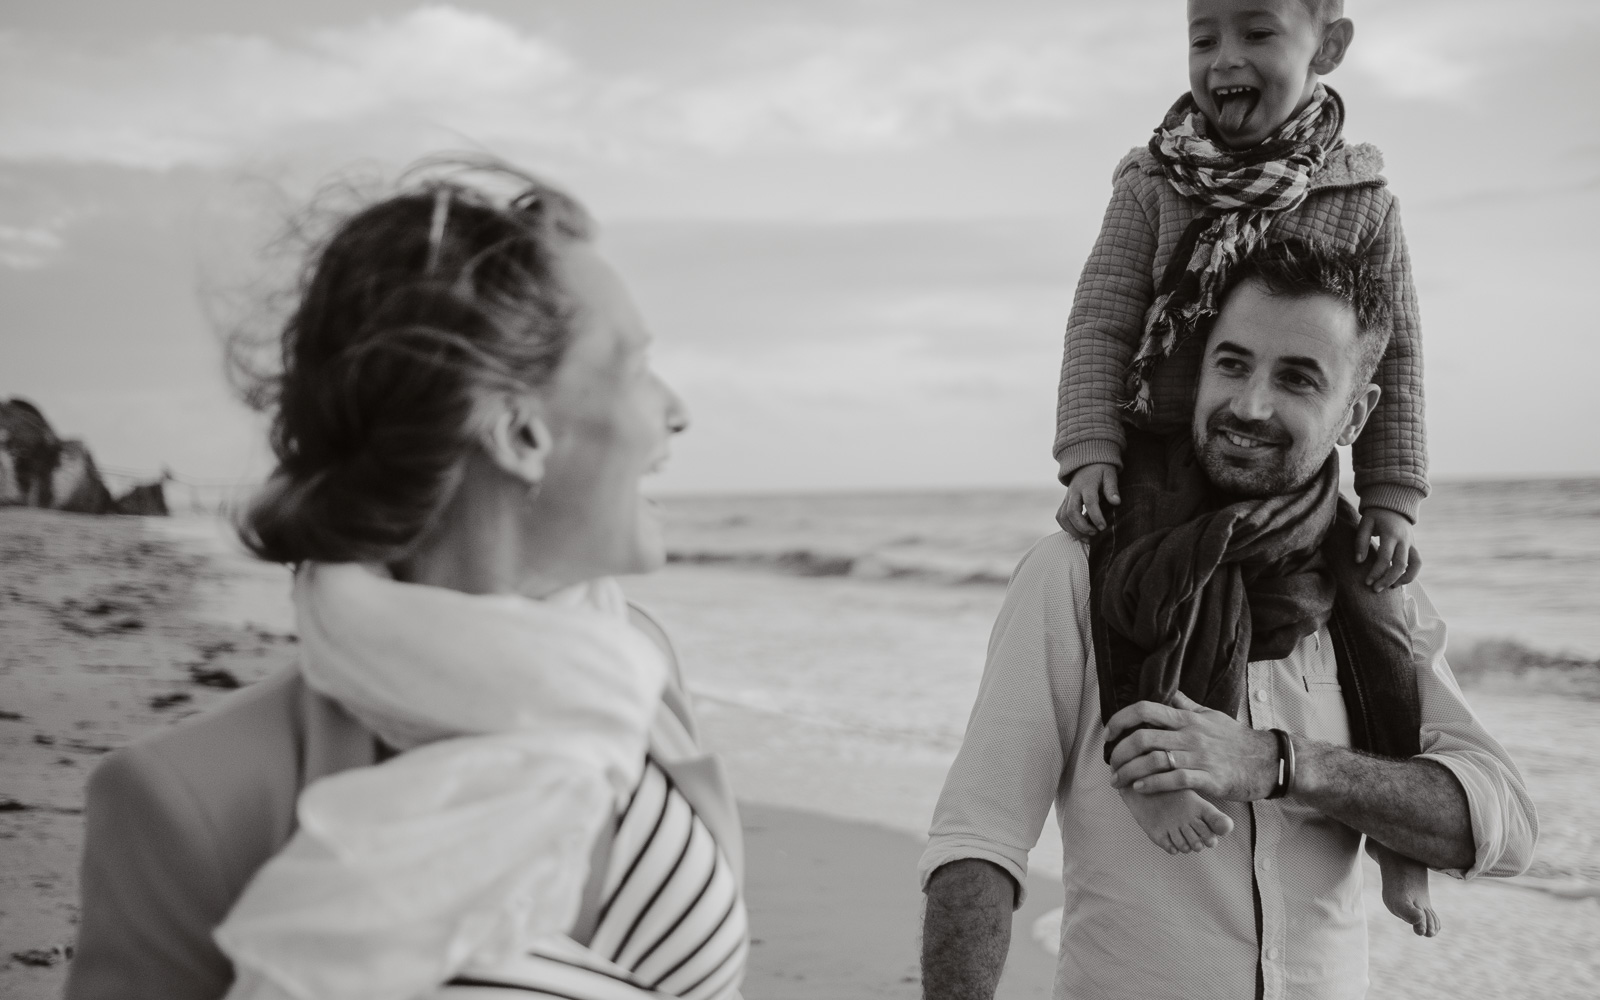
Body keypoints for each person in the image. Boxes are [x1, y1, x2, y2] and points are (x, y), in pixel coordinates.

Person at [63, 164, 748, 1000]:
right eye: (637, 365)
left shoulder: (633, 667)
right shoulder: (187, 802)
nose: (676, 409)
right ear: (519, 431)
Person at [919, 241, 1537, 1000]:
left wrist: (1279, 764)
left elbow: (1502, 825)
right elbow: (977, 840)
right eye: (1233, 364)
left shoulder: (1373, 589)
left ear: (1356, 413)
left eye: (1298, 379)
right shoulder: (1075, 573)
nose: (1249, 406)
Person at [1050, 0, 1439, 929]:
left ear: (1328, 47)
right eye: (1203, 36)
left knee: (1379, 626)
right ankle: (1146, 766)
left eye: (1257, 32)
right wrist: (1088, 453)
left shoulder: (1360, 197)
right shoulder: (1152, 180)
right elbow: (1099, 320)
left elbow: (1399, 358)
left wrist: (1390, 498)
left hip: (1295, 483)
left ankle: (1401, 843)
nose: (1224, 58)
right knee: (1137, 596)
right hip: (1161, 449)